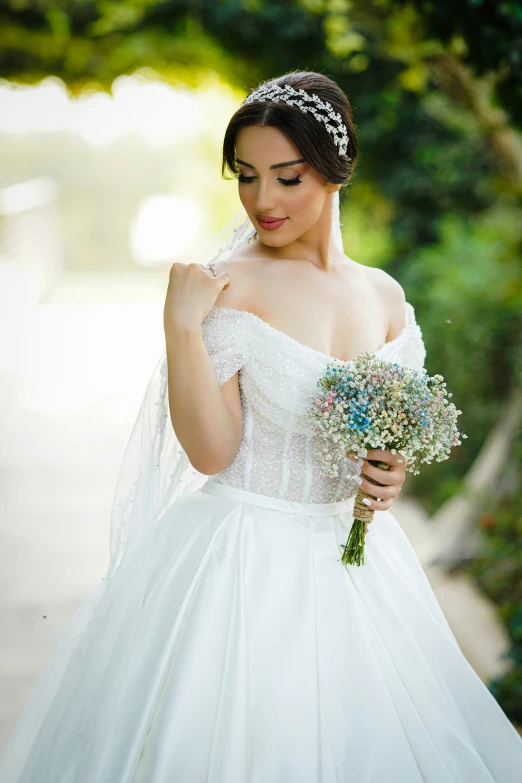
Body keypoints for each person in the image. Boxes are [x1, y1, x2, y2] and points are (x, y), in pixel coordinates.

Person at [1, 70, 521, 783]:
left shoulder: (386, 296)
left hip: (361, 574)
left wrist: (390, 469)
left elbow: (391, 437)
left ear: (335, 172)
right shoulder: (230, 285)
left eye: (287, 177)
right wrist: (181, 327)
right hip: (243, 562)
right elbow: (212, 451)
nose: (262, 200)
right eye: (246, 176)